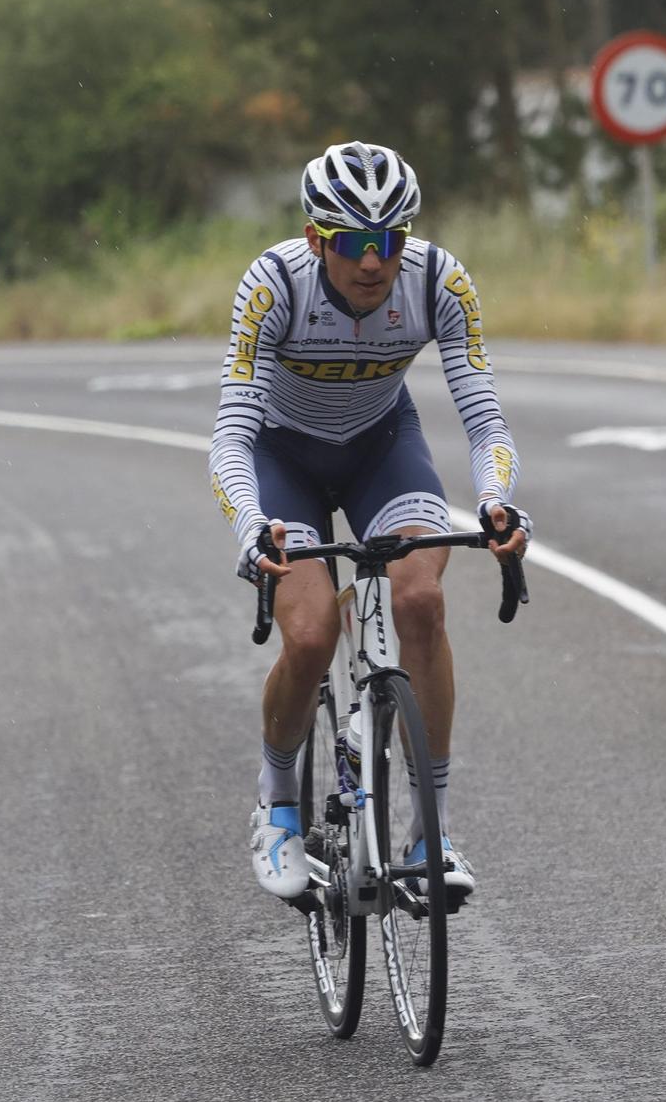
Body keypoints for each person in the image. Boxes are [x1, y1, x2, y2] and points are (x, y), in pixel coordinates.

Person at [208, 140, 531, 906]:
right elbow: (231, 435)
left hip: (383, 445)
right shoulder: (275, 282)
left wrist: (497, 501)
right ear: (318, 238)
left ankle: (432, 833)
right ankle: (277, 801)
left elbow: (486, 422)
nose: (373, 263)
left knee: (420, 598)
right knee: (313, 633)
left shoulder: (440, 280)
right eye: (353, 243)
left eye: (390, 241)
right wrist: (251, 526)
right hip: (283, 456)